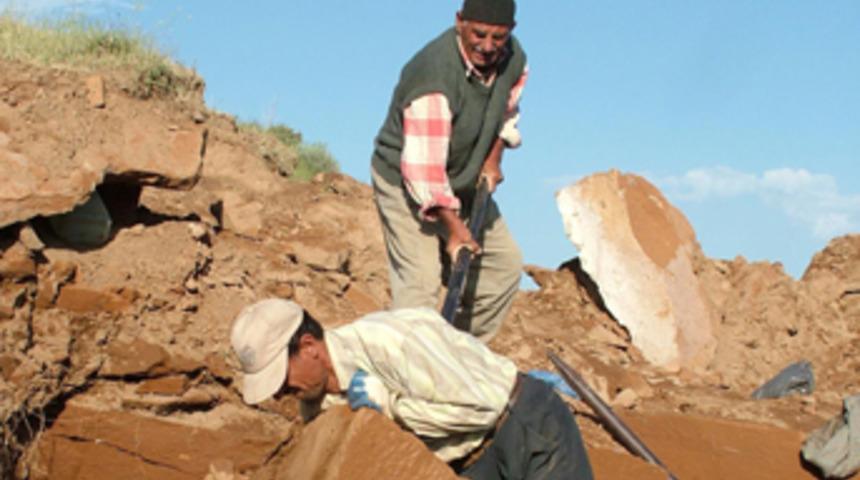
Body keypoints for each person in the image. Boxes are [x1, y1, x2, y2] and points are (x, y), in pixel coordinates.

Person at [231, 298, 594, 479]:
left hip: (521, 424)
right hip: (468, 462)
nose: (279, 394)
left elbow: (481, 408)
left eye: (280, 378)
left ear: (309, 346)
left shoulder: (390, 342)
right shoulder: (315, 405)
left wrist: (391, 408)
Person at [370, 0, 528, 341]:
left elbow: (507, 111)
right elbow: (423, 172)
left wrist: (493, 157)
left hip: (461, 177)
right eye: (479, 34)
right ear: (459, 22)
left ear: (511, 32)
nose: (488, 46)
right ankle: (412, 366)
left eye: (498, 37)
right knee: (420, 287)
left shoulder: (513, 58)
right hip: (406, 182)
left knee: (502, 269)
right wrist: (455, 230)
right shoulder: (433, 76)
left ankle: (458, 357)